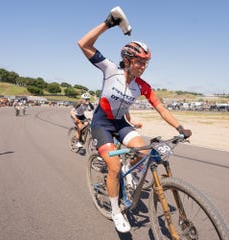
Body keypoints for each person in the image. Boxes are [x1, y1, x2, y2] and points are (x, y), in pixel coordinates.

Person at [77, 7, 192, 233]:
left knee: (145, 152)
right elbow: (83, 44)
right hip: (101, 124)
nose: (143, 67)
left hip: (121, 124)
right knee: (113, 166)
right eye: (139, 62)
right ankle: (116, 210)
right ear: (127, 60)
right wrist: (109, 23)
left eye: (145, 63)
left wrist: (180, 127)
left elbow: (161, 108)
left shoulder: (142, 86)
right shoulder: (111, 70)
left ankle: (130, 176)